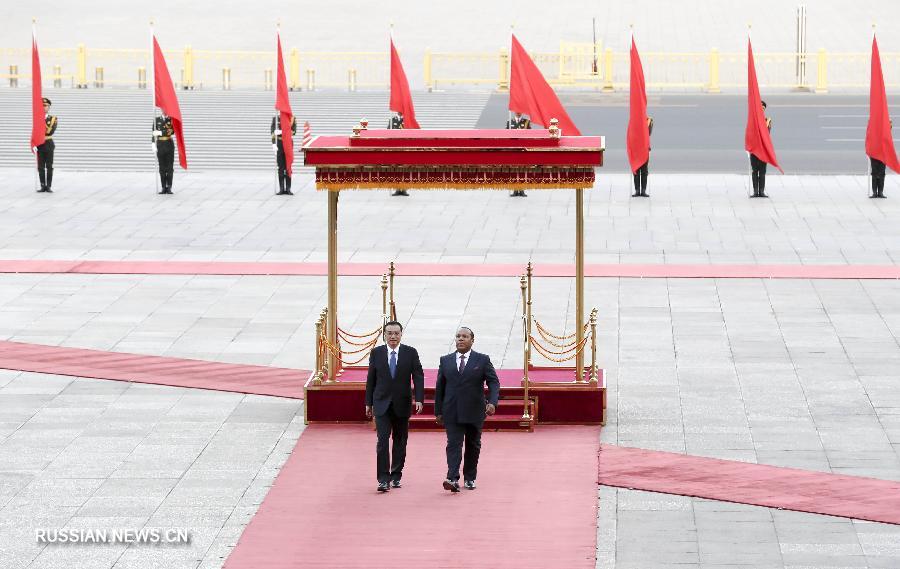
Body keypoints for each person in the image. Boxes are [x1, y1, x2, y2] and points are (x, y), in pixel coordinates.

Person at [434, 327, 500, 492]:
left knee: (473, 445)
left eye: (464, 336)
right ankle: (452, 478)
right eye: (458, 336)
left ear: (472, 340)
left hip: (474, 410)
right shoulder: (445, 360)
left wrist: (492, 402)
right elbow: (439, 387)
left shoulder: (482, 360)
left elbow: (493, 382)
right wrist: (438, 411)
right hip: (452, 410)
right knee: (453, 444)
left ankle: (470, 478)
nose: (460, 339)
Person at [365, 321, 425, 493]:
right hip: (381, 404)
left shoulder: (410, 352)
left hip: (402, 403)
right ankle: (383, 479)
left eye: (396, 333)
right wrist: (368, 403)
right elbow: (371, 379)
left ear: (401, 334)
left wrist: (419, 398)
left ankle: (396, 475)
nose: (393, 336)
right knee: (382, 442)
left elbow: (418, 376)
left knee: (400, 441)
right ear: (384, 335)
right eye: (389, 333)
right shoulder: (376, 353)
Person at [750, 101, 773, 198]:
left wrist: (765, 124)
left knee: (762, 171)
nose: (761, 110)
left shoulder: (767, 120)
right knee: (755, 170)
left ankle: (761, 191)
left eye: (763, 109)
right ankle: (755, 191)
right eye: (760, 109)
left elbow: (767, 134)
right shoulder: (753, 120)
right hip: (755, 150)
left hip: (763, 150)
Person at [271, 113, 297, 195]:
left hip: (288, 143)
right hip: (279, 143)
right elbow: (272, 132)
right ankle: (281, 188)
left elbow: (294, 132)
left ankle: (288, 188)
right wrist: (273, 144)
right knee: (281, 166)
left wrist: (282, 131)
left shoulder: (292, 118)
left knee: (288, 166)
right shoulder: (275, 118)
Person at [506, 112, 531, 197]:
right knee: (514, 170)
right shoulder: (510, 122)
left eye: (519, 111)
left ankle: (522, 190)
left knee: (522, 170)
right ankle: (515, 190)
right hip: (513, 149)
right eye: (516, 111)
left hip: (522, 149)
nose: (518, 113)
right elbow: (505, 134)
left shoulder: (526, 122)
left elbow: (530, 134)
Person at [36, 97, 57, 193]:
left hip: (48, 143)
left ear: (49, 107)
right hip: (40, 144)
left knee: (49, 166)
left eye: (45, 106)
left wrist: (42, 121)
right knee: (40, 166)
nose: (44, 107)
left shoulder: (53, 119)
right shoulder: (37, 118)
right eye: (42, 106)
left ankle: (48, 186)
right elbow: (35, 131)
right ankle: (42, 185)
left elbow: (49, 131)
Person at [152, 113, 175, 194]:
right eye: (163, 108)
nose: (164, 110)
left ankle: (169, 187)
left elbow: (171, 131)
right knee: (161, 167)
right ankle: (163, 187)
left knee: (169, 167)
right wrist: (153, 144)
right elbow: (153, 133)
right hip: (160, 144)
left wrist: (160, 133)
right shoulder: (156, 120)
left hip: (169, 144)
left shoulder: (171, 119)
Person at [388, 112, 409, 196]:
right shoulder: (392, 120)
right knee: (396, 169)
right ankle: (397, 189)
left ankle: (404, 189)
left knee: (405, 169)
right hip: (395, 147)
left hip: (405, 148)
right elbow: (388, 132)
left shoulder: (407, 120)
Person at [870, 120, 892, 199]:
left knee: (882, 173)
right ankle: (874, 192)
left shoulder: (885, 128)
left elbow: (889, 130)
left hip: (883, 153)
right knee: (874, 173)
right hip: (875, 153)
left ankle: (880, 192)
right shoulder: (873, 128)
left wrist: (888, 123)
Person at [632, 116, 654, 198]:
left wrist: (647, 121)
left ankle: (643, 190)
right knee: (636, 170)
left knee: (644, 171)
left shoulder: (648, 121)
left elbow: (649, 132)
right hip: (636, 150)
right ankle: (637, 190)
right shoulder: (634, 121)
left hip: (644, 149)